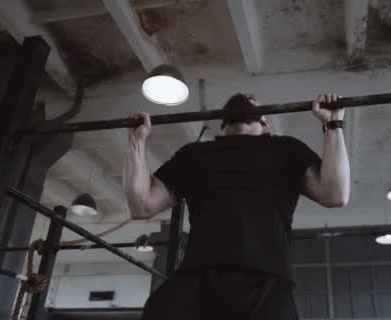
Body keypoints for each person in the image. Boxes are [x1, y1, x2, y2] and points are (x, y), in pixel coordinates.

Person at [123, 92, 350, 320]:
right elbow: (141, 205)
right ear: (222, 122)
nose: (243, 96)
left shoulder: (287, 150)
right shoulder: (194, 155)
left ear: (265, 121)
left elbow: (335, 194)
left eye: (253, 99)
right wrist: (136, 140)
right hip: (197, 281)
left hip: (265, 285)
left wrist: (333, 124)